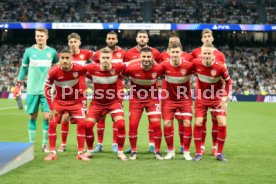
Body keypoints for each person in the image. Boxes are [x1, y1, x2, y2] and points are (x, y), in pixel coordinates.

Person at [15, 28, 58, 152]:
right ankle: (30, 145)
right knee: (32, 117)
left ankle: (44, 145)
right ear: (35, 37)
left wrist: (57, 85)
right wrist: (18, 85)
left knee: (47, 117)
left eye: (42, 36)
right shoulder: (29, 51)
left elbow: (56, 69)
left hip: (47, 90)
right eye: (37, 36)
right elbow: (23, 69)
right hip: (32, 90)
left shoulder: (52, 52)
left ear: (46, 37)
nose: (39, 38)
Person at [44, 50, 89, 161]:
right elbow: (46, 88)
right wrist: (51, 108)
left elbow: (93, 73)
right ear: (59, 59)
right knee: (52, 123)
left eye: (67, 58)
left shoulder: (80, 68)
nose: (64, 60)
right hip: (59, 102)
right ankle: (52, 153)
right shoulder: (53, 71)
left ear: (71, 59)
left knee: (82, 124)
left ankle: (80, 153)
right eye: (62, 58)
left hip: (76, 102)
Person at [84, 47, 128, 160]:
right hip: (97, 103)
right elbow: (77, 68)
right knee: (88, 126)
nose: (105, 60)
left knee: (121, 124)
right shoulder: (92, 68)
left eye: (107, 58)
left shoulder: (117, 67)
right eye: (103, 58)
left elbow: (131, 63)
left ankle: (120, 152)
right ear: (99, 58)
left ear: (112, 58)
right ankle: (89, 151)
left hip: (113, 102)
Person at [192, 44, 232, 161]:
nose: (207, 56)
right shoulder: (196, 63)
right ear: (201, 55)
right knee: (199, 123)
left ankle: (219, 153)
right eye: (205, 53)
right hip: (202, 98)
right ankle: (198, 153)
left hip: (217, 98)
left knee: (222, 123)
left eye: (209, 53)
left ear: (213, 55)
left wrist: (225, 97)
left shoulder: (220, 67)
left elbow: (228, 82)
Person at [124, 30, 161, 153]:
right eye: (140, 36)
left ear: (148, 39)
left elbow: (160, 69)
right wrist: (131, 79)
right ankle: (132, 147)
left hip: (152, 93)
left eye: (144, 37)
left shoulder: (155, 52)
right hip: (136, 94)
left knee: (154, 121)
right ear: (136, 39)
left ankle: (152, 145)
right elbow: (124, 71)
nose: (142, 39)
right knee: (133, 123)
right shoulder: (129, 53)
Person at [191, 28, 226, 156]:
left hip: (216, 93)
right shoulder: (195, 52)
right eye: (204, 36)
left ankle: (215, 146)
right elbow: (190, 67)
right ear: (202, 39)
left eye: (209, 36)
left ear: (212, 38)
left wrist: (224, 95)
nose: (207, 38)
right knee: (201, 121)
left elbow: (223, 73)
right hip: (201, 92)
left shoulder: (220, 55)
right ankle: (201, 146)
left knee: (217, 120)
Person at [58, 33, 93, 153]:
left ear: (79, 42)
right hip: (65, 93)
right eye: (71, 42)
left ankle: (81, 146)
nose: (73, 44)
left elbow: (98, 60)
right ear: (68, 43)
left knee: (81, 120)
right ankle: (63, 144)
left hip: (80, 93)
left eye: (75, 42)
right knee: (65, 117)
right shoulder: (63, 56)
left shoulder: (87, 54)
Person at [92, 31, 126, 153]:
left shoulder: (123, 53)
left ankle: (115, 144)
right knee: (100, 118)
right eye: (109, 38)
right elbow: (94, 70)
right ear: (106, 40)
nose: (111, 40)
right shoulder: (98, 54)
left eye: (113, 39)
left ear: (117, 40)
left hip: (118, 89)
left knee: (116, 118)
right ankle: (99, 144)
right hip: (102, 89)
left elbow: (126, 69)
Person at [160, 33, 193, 154]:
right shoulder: (162, 56)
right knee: (167, 121)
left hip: (183, 93)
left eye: (175, 40)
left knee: (182, 120)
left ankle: (183, 146)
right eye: (171, 40)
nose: (173, 41)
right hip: (167, 93)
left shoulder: (188, 57)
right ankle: (169, 149)